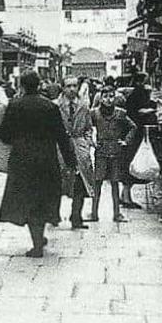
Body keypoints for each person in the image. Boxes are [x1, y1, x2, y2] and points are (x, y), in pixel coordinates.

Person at [0, 71, 76, 257]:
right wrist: (70, 161)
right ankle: (39, 237)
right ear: (39, 85)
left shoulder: (14, 106)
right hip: (46, 160)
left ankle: (37, 242)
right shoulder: (50, 106)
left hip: (22, 161)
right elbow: (61, 136)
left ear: (22, 86)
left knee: (27, 199)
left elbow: (4, 135)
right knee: (42, 199)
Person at [90, 84, 137, 223]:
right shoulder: (94, 113)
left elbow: (133, 127)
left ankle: (117, 214)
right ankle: (94, 213)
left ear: (115, 97)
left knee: (115, 183)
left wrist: (125, 141)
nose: (108, 100)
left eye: (111, 96)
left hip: (116, 152)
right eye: (105, 97)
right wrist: (92, 141)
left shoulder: (121, 113)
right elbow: (87, 127)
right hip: (101, 151)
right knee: (97, 182)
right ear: (101, 98)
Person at [57, 76, 95, 230]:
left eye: (74, 86)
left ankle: (76, 216)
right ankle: (54, 214)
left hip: (79, 147)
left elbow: (88, 127)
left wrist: (85, 142)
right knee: (59, 181)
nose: (72, 89)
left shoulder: (84, 106)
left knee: (81, 183)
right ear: (63, 88)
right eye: (68, 86)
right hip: (61, 146)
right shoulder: (55, 106)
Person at [120, 72, 156, 209]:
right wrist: (152, 110)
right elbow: (139, 111)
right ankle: (127, 198)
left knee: (128, 163)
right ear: (141, 81)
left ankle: (125, 196)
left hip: (131, 131)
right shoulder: (140, 93)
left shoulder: (133, 93)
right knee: (131, 162)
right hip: (135, 132)